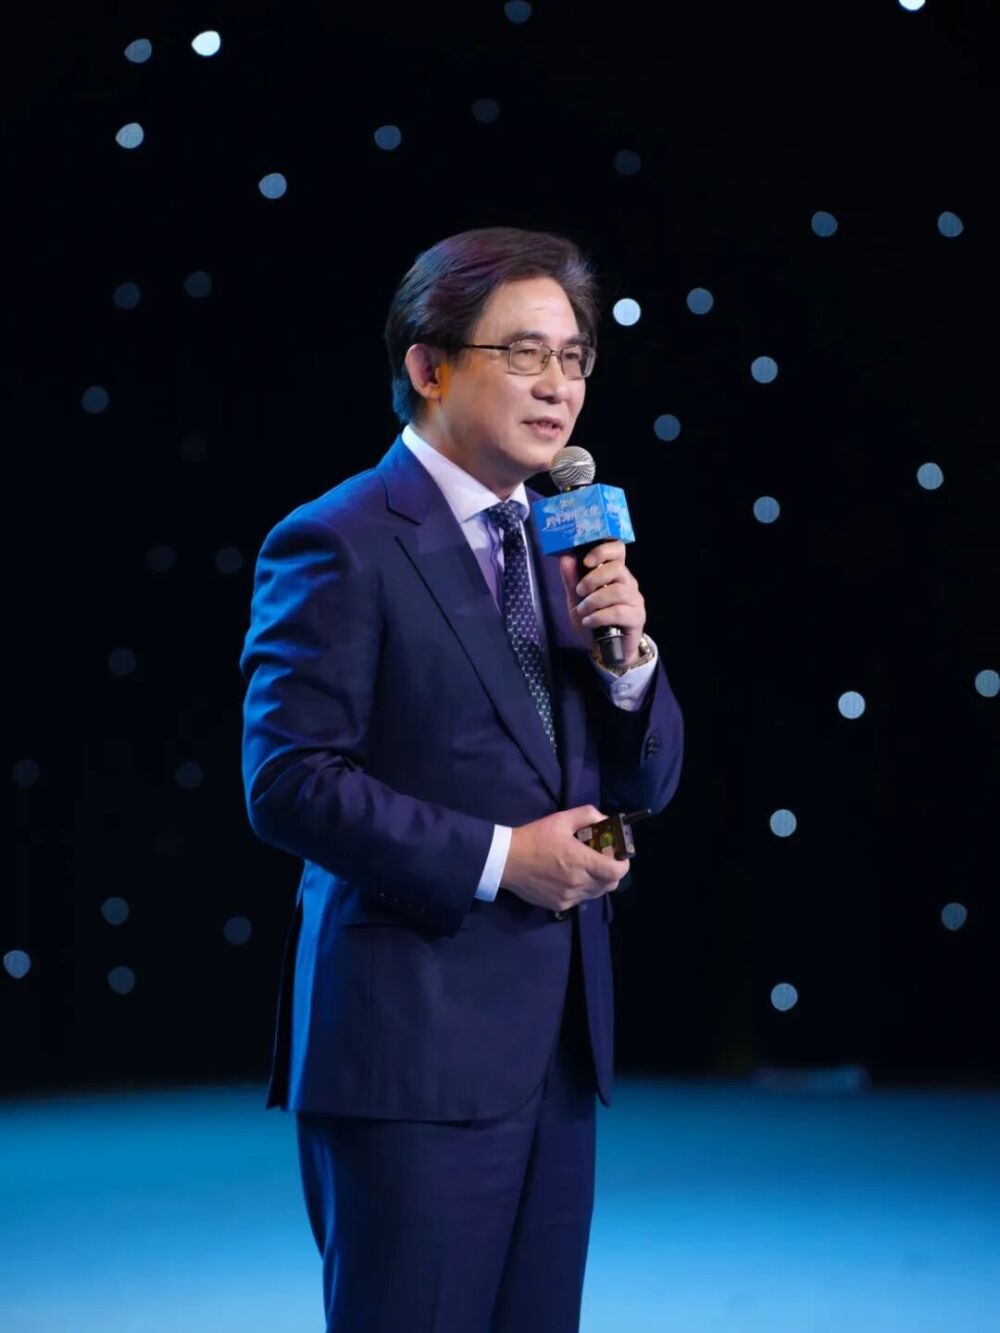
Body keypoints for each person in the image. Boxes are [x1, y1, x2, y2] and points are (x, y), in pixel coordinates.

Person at [239, 226, 684, 1333]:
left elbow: (650, 776)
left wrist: (629, 662)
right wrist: (501, 859)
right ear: (429, 366)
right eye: (524, 353)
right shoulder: (338, 538)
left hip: (558, 1053)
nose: (558, 385)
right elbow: (288, 779)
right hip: (409, 1057)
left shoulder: (564, 540)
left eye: (574, 357)